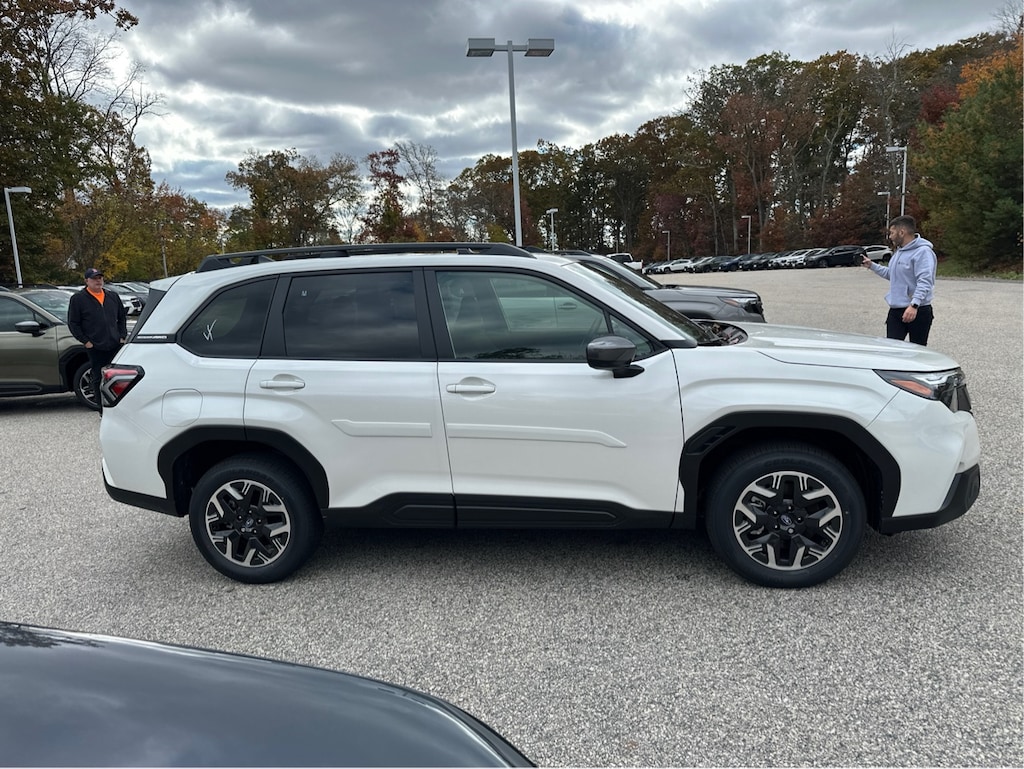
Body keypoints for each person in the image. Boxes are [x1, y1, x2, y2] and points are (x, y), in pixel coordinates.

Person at [862, 215, 937, 345]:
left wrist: (914, 305)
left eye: (892, 233)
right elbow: (892, 275)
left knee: (917, 353)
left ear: (902, 232)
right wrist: (872, 265)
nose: (890, 237)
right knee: (892, 351)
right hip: (896, 310)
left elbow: (925, 281)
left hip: (917, 310)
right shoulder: (899, 252)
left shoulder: (923, 252)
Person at [68, 267, 128, 410]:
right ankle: (102, 408)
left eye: (100, 278)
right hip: (95, 346)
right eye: (94, 278)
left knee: (118, 376)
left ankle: (119, 406)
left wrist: (122, 336)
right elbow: (73, 323)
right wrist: (86, 341)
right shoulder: (78, 299)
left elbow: (121, 318)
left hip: (114, 343)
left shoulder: (112, 296)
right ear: (86, 281)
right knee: (97, 377)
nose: (98, 281)